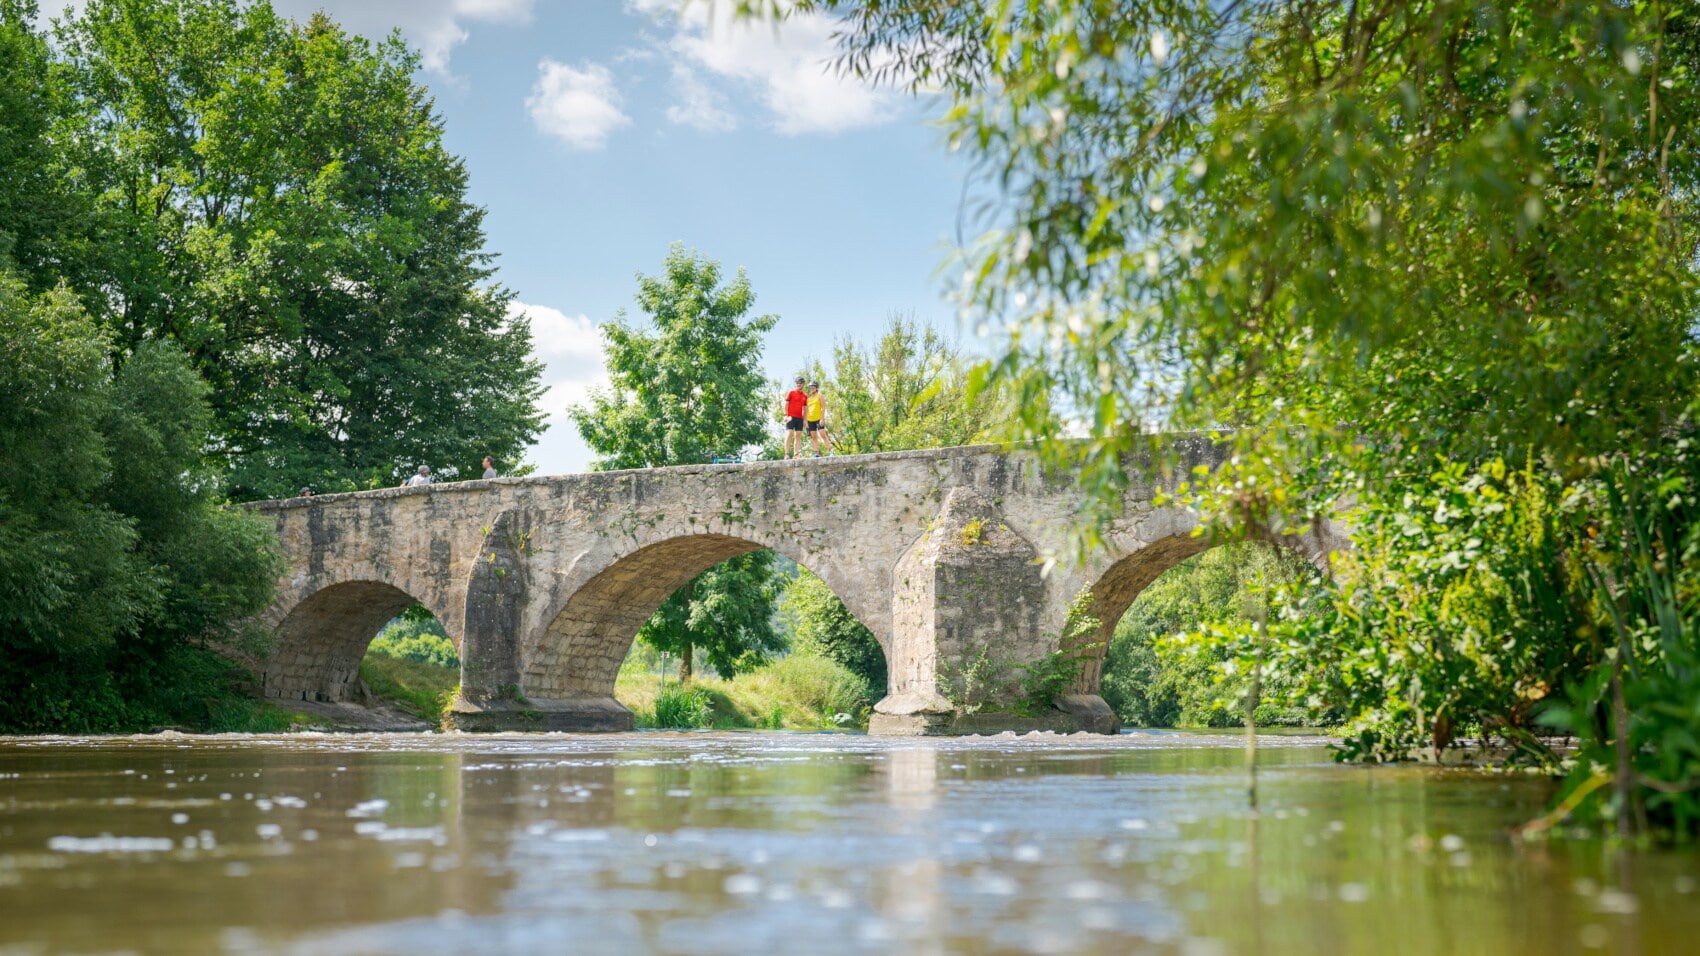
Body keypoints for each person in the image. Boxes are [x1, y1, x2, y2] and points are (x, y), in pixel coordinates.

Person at [782, 375, 809, 460]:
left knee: (798, 435)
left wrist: (805, 420)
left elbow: (805, 409)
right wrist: (785, 415)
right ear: (796, 384)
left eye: (800, 383)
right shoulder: (791, 393)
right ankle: (786, 454)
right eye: (797, 383)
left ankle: (796, 454)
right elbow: (786, 404)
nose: (799, 384)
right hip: (790, 417)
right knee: (789, 433)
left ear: (803, 384)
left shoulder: (805, 396)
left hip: (799, 418)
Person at [805, 381, 832, 456]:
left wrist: (822, 418)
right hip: (810, 420)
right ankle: (816, 453)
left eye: (813, 387)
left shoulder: (819, 396)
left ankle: (830, 452)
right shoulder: (808, 399)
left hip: (818, 419)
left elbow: (823, 407)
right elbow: (806, 410)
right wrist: (806, 422)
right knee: (814, 437)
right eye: (810, 387)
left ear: (816, 388)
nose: (811, 388)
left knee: (823, 435)